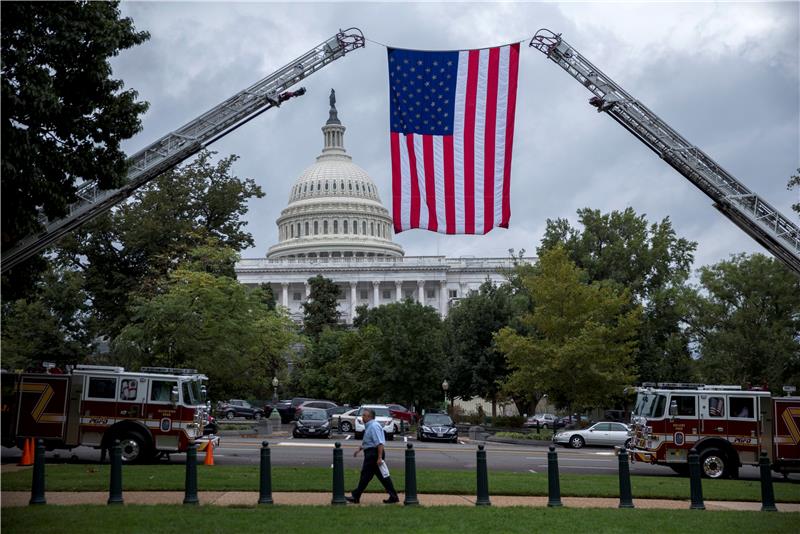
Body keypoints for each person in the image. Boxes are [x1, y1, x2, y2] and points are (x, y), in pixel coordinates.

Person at [347, 408, 399, 504]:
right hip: (372, 453)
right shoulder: (370, 426)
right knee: (382, 476)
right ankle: (393, 496)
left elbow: (379, 443)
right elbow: (369, 441)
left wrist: (379, 457)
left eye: (364, 415)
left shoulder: (373, 426)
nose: (362, 417)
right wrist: (360, 449)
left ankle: (356, 496)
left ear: (369, 417)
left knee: (365, 475)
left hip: (374, 454)